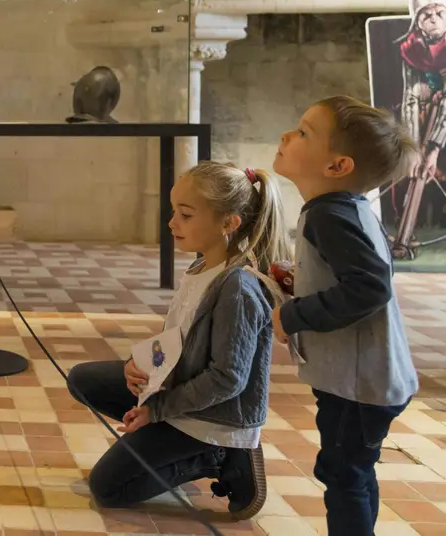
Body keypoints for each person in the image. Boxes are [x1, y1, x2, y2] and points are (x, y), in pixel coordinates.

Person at [67, 161, 288, 520]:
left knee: (107, 488)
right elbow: (178, 340)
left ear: (228, 223)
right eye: (174, 212)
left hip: (213, 417)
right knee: (82, 379)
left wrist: (156, 410)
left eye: (185, 215)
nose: (172, 223)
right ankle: (165, 439)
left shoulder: (238, 288)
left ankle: (217, 457)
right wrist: (138, 365)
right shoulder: (201, 267)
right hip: (182, 395)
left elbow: (227, 379)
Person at [272, 96, 420, 536]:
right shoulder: (344, 208)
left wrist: (294, 314)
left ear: (337, 166)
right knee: (352, 470)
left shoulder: (329, 216)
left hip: (359, 385)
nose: (287, 136)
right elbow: (354, 275)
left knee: (344, 476)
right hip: (366, 379)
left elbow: (369, 287)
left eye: (303, 132)